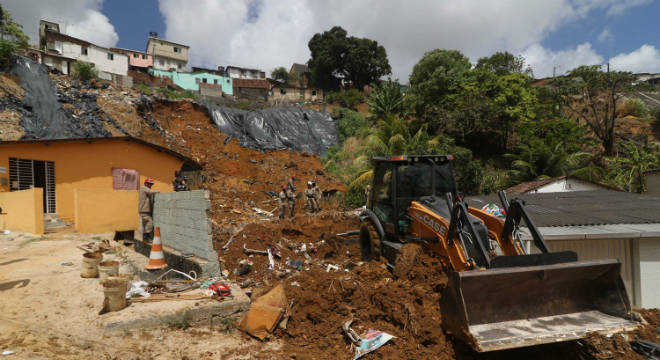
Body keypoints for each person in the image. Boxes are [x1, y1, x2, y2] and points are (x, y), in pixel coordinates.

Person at [139, 177, 159, 242]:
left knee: (145, 224)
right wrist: (158, 191)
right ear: (145, 183)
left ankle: (145, 238)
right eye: (149, 184)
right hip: (144, 210)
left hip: (144, 210)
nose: (150, 185)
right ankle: (146, 237)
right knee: (150, 223)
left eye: (151, 184)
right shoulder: (143, 188)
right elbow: (150, 192)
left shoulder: (145, 189)